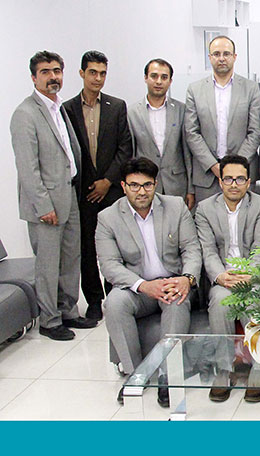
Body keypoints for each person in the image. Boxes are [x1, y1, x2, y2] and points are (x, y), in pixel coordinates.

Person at [96, 158, 201, 407]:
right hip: (137, 288)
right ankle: (136, 374)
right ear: (123, 186)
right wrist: (143, 285)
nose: (141, 191)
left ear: (155, 184)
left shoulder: (175, 206)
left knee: (176, 301)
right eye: (134, 185)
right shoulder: (108, 217)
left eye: (147, 185)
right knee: (114, 303)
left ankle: (167, 376)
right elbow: (109, 265)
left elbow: (191, 249)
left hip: (173, 282)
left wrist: (186, 279)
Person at [11, 51, 96, 340]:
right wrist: (43, 205)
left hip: (69, 195)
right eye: (46, 72)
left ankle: (68, 311)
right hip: (46, 203)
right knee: (48, 265)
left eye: (57, 71)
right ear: (33, 77)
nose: (53, 77)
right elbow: (28, 168)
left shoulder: (59, 108)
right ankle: (49, 320)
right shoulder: (25, 114)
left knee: (70, 259)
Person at [194, 155, 260, 404]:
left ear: (248, 182)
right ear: (220, 181)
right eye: (228, 179)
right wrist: (221, 276)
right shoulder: (205, 208)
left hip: (252, 276)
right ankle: (225, 369)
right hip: (223, 278)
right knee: (220, 301)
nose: (234, 184)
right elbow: (207, 250)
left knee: (253, 300)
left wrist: (250, 275)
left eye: (240, 179)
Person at [63, 50, 133, 321]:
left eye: (103, 73)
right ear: (82, 73)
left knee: (117, 245)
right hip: (83, 191)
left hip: (111, 190)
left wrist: (107, 181)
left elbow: (125, 147)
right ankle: (93, 300)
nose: (98, 78)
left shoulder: (117, 107)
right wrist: (91, 184)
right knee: (87, 247)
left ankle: (115, 294)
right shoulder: (67, 109)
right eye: (93, 72)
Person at [185, 35, 260, 202]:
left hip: (242, 175)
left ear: (234, 57)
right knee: (207, 217)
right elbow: (191, 132)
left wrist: (235, 168)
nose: (221, 58)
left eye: (226, 54)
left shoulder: (251, 88)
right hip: (206, 174)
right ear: (209, 57)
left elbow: (255, 132)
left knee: (244, 217)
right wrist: (213, 165)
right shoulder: (194, 90)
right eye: (216, 54)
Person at [128, 58, 194, 209]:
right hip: (145, 184)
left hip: (176, 184)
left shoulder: (181, 110)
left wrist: (191, 189)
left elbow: (187, 153)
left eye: (164, 77)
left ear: (170, 81)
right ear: (145, 78)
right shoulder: (132, 113)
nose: (159, 81)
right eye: (154, 76)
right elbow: (131, 154)